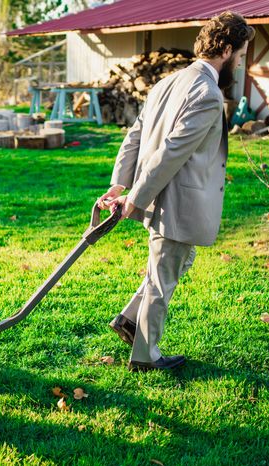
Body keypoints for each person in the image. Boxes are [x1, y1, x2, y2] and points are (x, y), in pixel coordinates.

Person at [97, 12, 254, 372]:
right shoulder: (208, 94)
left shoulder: (169, 82)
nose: (241, 64)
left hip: (159, 195)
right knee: (164, 276)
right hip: (177, 200)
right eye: (241, 56)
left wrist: (120, 182)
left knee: (173, 264)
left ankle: (129, 319)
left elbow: (134, 135)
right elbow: (171, 152)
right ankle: (145, 356)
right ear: (227, 50)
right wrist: (131, 195)